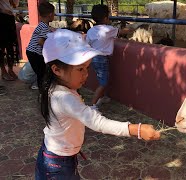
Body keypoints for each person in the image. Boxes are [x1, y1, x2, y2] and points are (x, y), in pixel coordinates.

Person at [35, 29, 161, 179]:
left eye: (87, 68)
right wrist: (136, 129)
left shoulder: (55, 87)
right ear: (57, 70)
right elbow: (98, 123)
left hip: (56, 155)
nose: (86, 74)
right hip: (57, 163)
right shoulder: (63, 98)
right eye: (80, 69)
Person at [86, 4, 131, 110]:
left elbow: (87, 43)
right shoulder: (108, 29)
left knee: (100, 78)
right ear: (106, 18)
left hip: (93, 58)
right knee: (103, 82)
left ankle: (102, 98)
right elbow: (122, 32)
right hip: (102, 59)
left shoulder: (91, 30)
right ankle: (92, 105)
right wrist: (133, 29)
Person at [26, 2, 55, 92]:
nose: (54, 16)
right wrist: (50, 48)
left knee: (41, 71)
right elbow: (40, 41)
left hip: (31, 51)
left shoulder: (42, 25)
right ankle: (42, 90)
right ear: (50, 15)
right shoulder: (45, 27)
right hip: (35, 53)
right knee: (41, 73)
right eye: (54, 14)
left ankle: (41, 88)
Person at [0, 0, 20, 81]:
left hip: (10, 17)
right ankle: (3, 71)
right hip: (1, 17)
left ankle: (10, 70)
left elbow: (15, 5)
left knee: (11, 46)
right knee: (1, 46)